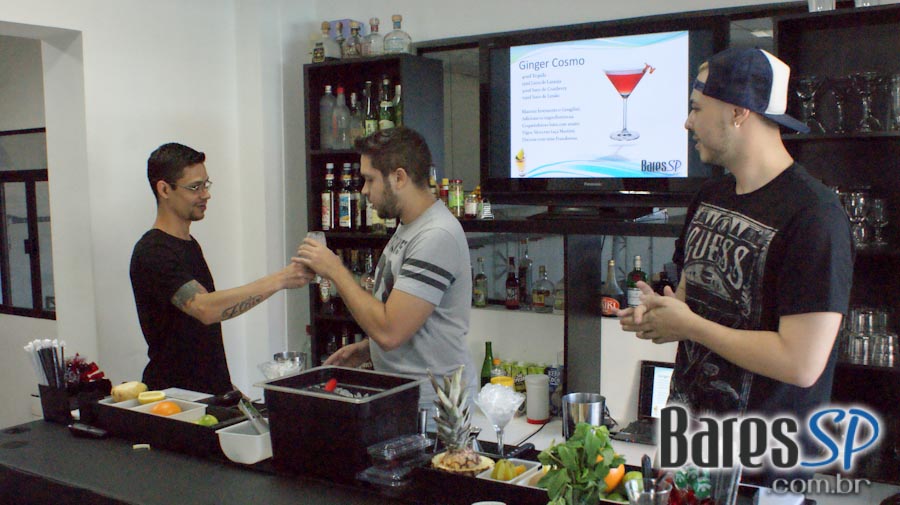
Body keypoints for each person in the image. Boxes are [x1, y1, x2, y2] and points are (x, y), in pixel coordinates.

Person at [618, 48, 853, 484]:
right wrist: (660, 315)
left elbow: (801, 363)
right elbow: (688, 304)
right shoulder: (709, 198)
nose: (687, 122)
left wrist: (690, 326)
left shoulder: (815, 216)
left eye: (696, 108)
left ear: (738, 111)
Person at [295, 127, 477, 411]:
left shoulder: (436, 236)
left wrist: (335, 270)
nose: (364, 190)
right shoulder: (410, 227)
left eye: (370, 179)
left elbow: (390, 332)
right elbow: (409, 319)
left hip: (432, 407)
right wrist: (367, 349)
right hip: (404, 396)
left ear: (399, 178)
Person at [130, 142, 313, 395]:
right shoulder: (153, 251)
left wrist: (226, 388)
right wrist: (281, 279)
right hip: (176, 399)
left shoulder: (189, 245)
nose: (206, 195)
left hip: (208, 394)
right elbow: (205, 308)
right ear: (164, 189)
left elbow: (200, 335)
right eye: (195, 187)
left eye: (206, 184)